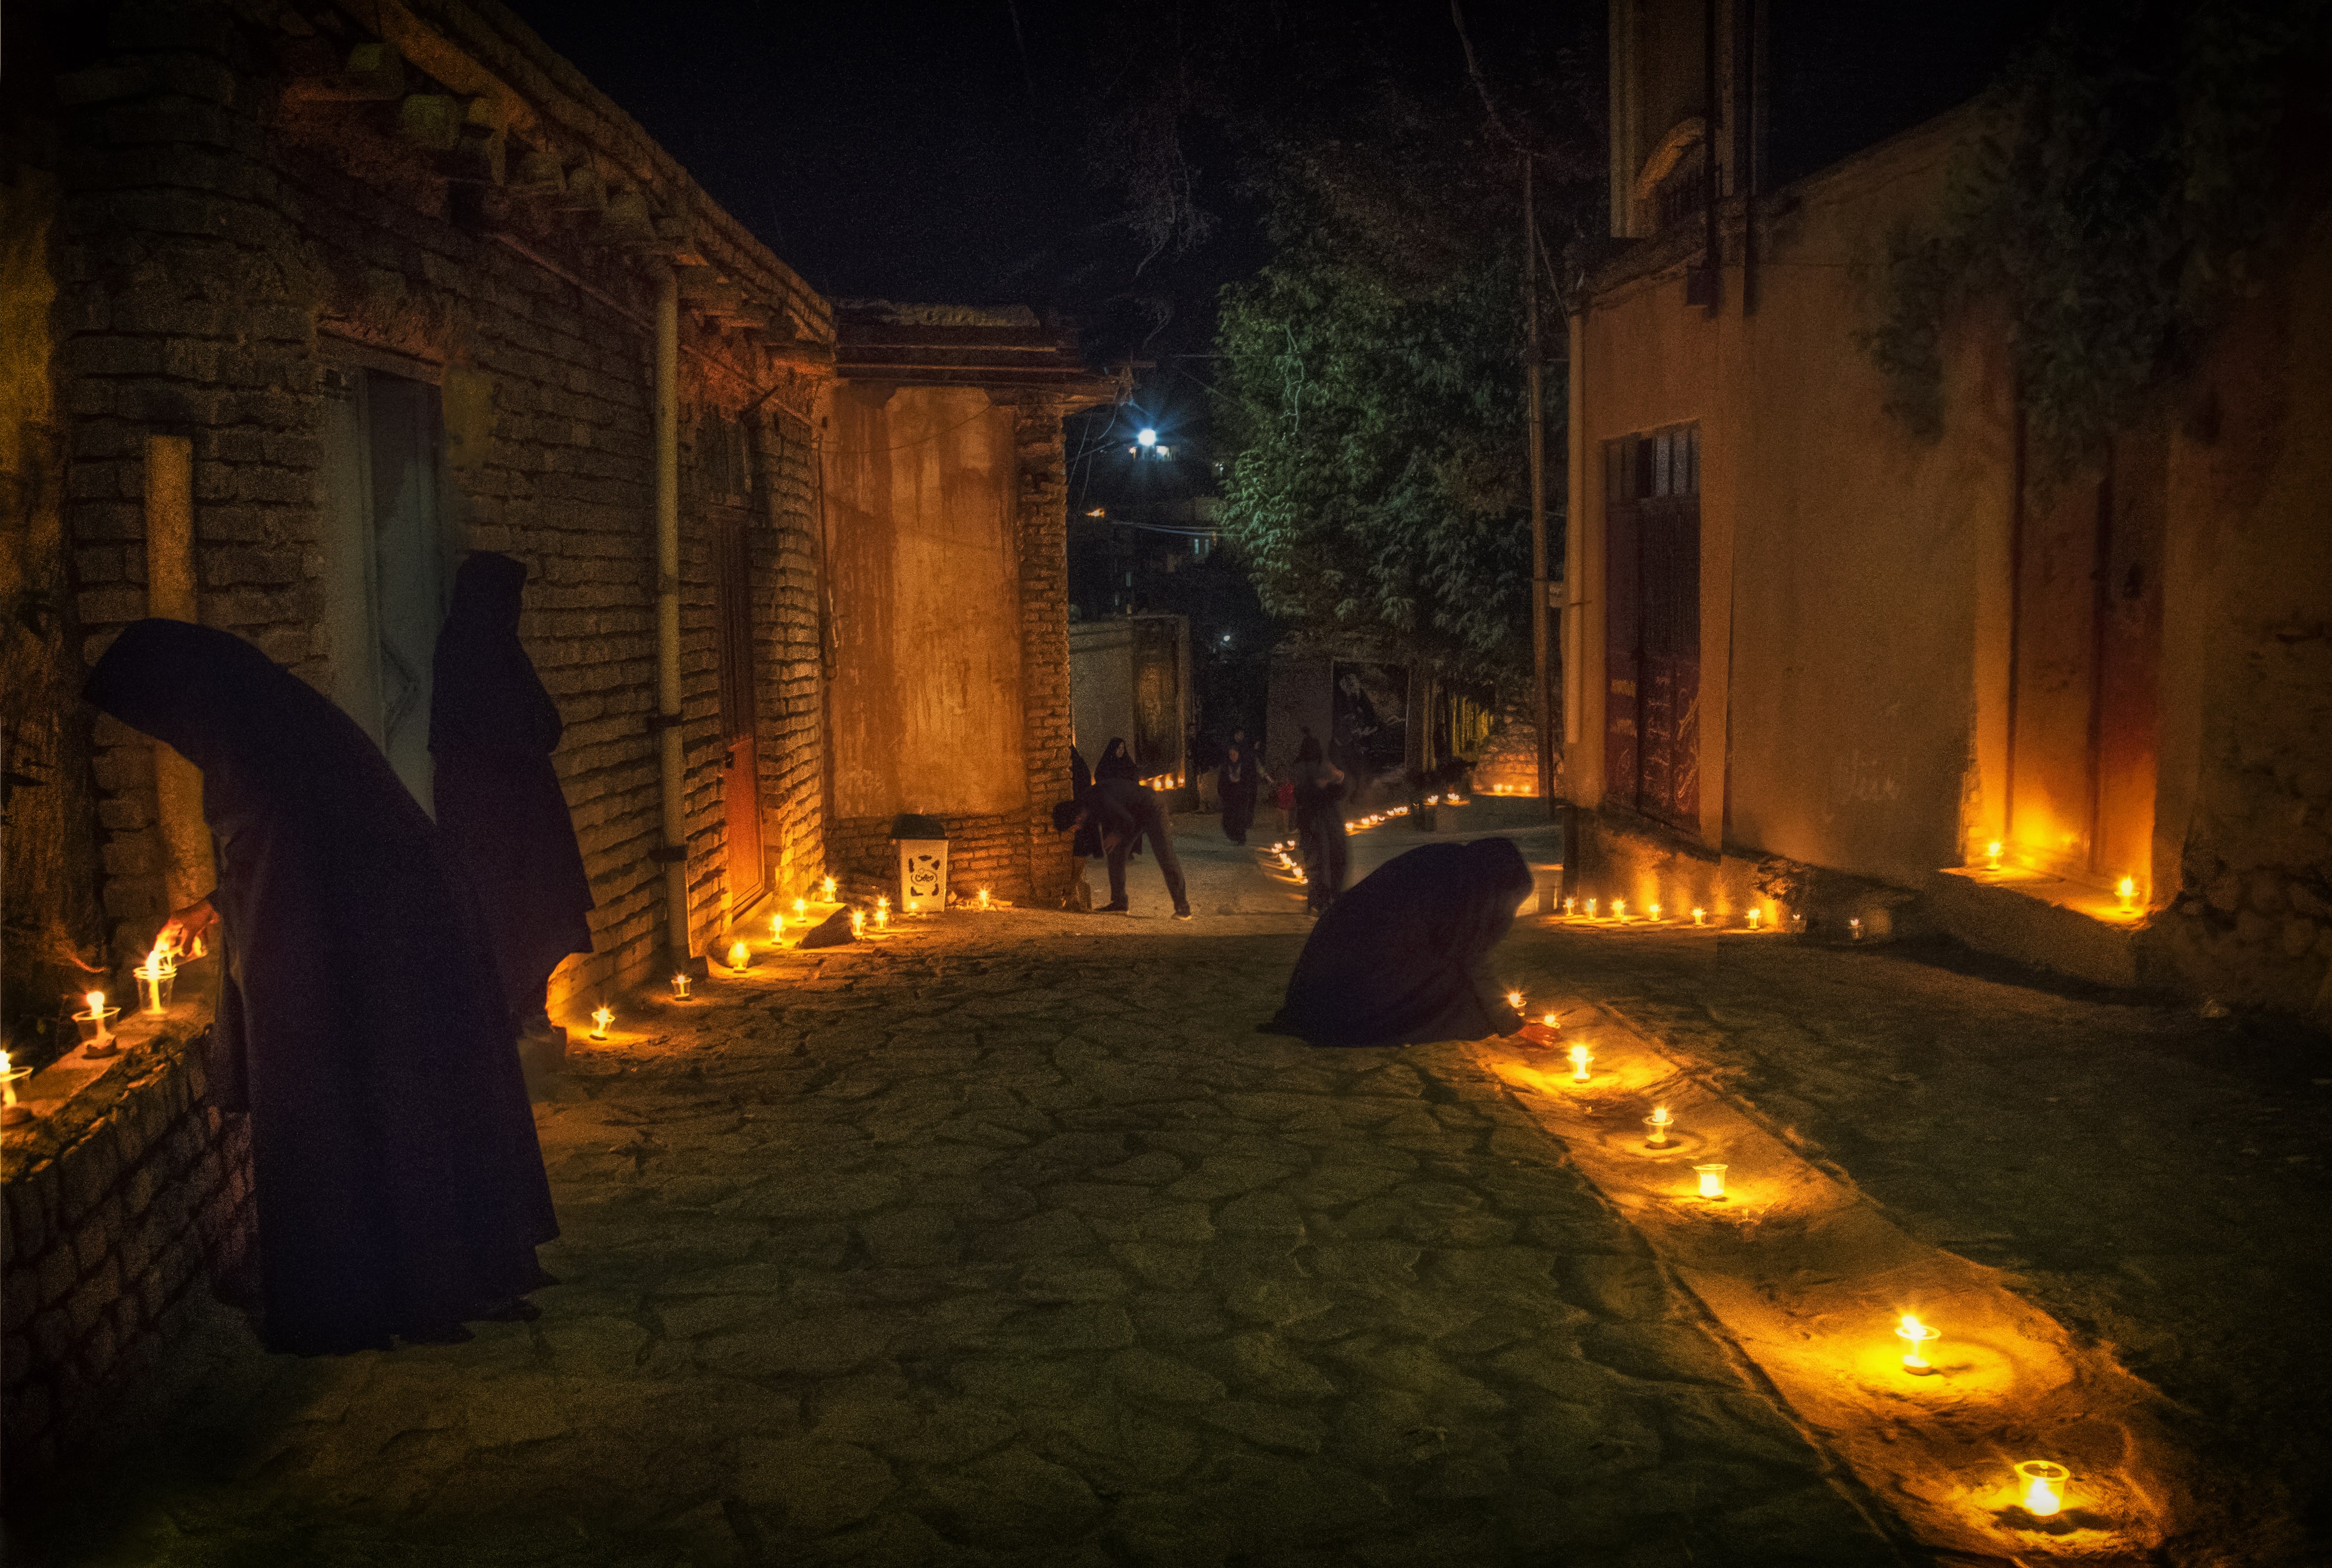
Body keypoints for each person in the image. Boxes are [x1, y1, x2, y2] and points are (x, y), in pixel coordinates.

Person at [86, 620, 558, 1355]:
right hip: (410, 944)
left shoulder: (252, 757)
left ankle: (364, 1296)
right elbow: (308, 845)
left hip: (370, 963)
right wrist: (218, 905)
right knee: (419, 1114)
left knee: (346, 1114)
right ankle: (449, 1276)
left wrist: (265, 1005)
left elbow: (289, 881)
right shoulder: (282, 722)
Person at [430, 553, 594, 1061]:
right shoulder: (477, 654)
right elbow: (527, 728)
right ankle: (507, 1022)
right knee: (508, 915)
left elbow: (544, 723)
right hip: (495, 818)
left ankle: (526, 1012)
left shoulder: (492, 650)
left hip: (513, 814)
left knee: (533, 912)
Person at [1266, 837, 1535, 1046]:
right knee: (1464, 1010)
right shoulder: (1466, 889)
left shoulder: (1448, 860)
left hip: (1326, 971)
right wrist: (1514, 1024)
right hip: (1359, 984)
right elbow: (1472, 960)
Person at [1056, 738, 1191, 917]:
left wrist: (1116, 835)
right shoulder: (1086, 806)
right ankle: (1119, 903)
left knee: (1165, 855)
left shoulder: (1097, 800)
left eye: (1073, 827)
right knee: (1116, 854)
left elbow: (1127, 821)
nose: (1076, 830)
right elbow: (1116, 819)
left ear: (1077, 817)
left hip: (1152, 808)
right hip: (1131, 812)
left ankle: (1183, 908)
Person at [1292, 732, 1349, 915]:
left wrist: (1338, 779)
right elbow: (1302, 795)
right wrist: (1321, 786)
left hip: (1328, 822)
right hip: (1314, 823)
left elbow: (1337, 793)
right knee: (1319, 862)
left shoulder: (1323, 768)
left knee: (1332, 859)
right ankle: (1320, 900)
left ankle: (1328, 898)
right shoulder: (1304, 771)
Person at [1217, 739, 1265, 845]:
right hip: (1230, 797)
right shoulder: (1226, 767)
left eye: (1235, 754)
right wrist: (1223, 794)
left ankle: (1241, 838)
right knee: (1228, 819)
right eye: (1231, 755)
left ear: (1239, 754)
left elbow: (1249, 780)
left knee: (1240, 818)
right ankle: (1233, 835)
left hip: (1241, 796)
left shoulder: (1245, 766)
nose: (1233, 757)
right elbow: (1221, 782)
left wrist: (1246, 791)